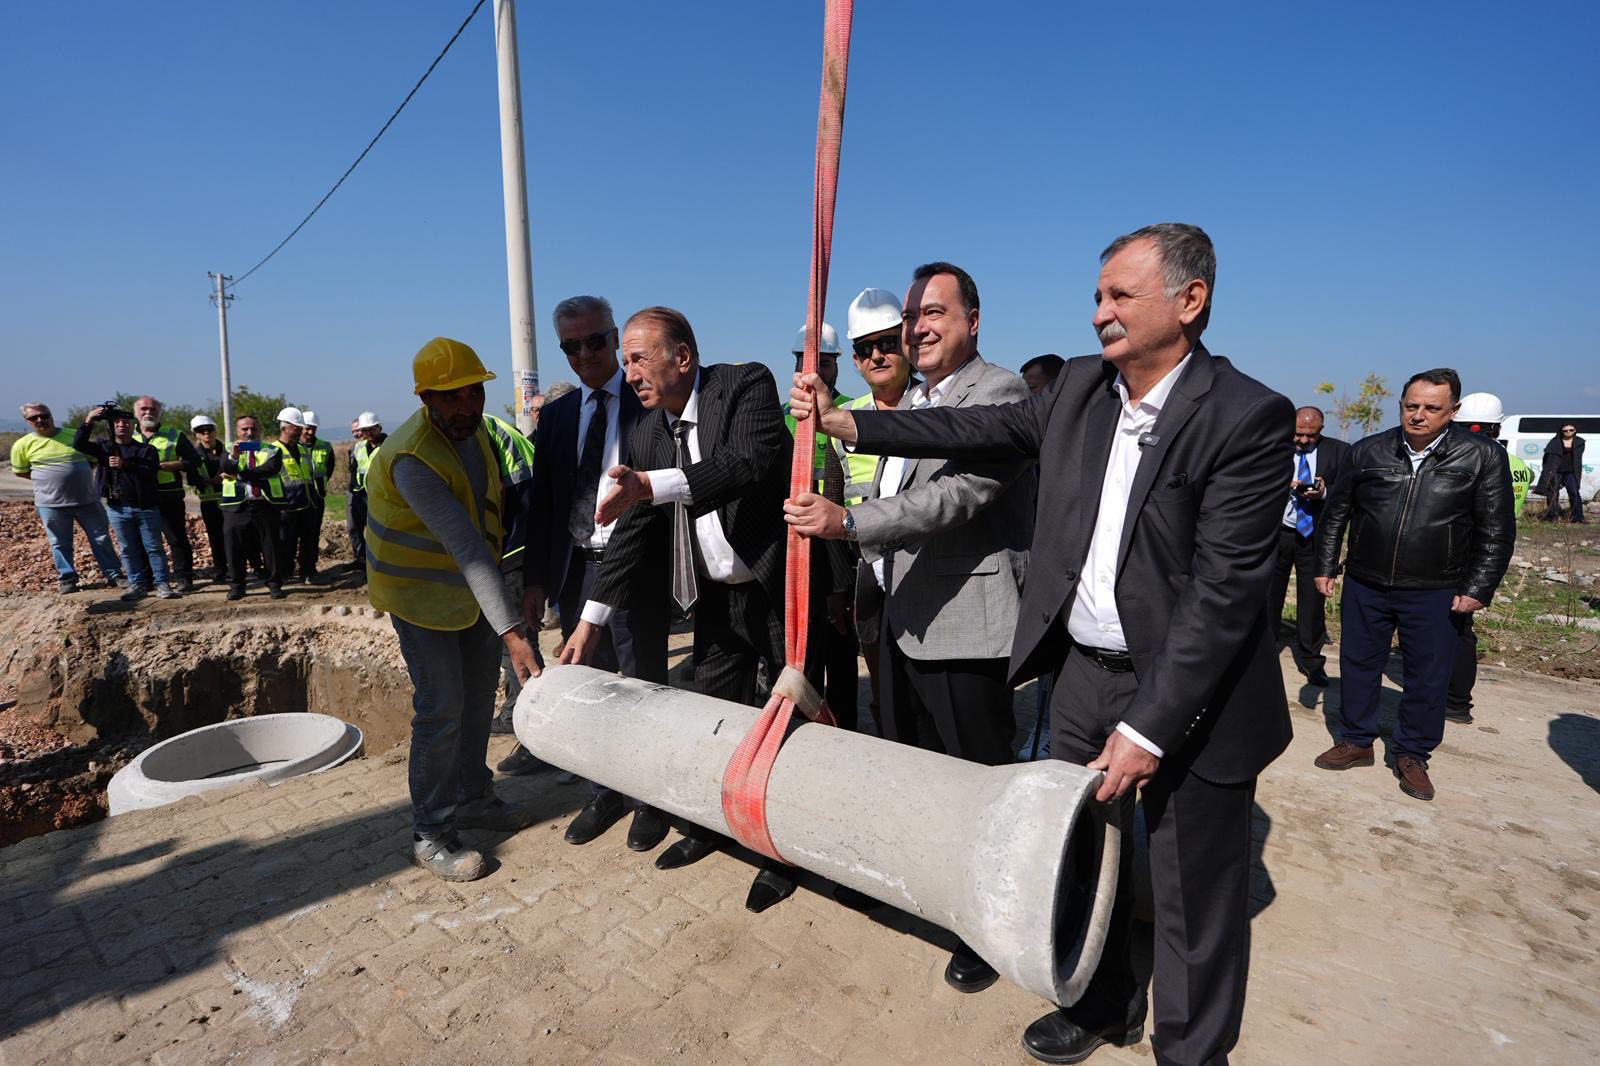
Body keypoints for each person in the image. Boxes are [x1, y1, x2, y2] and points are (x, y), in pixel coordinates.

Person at [792, 224, 1294, 1065]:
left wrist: (1148, 729)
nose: (1099, 313)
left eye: (1120, 296)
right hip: (1083, 679)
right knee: (1083, 865)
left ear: (1191, 301)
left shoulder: (1247, 416)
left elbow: (1224, 597)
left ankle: (1191, 1052)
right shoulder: (1082, 392)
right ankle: (1101, 1004)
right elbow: (968, 434)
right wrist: (848, 423)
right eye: (1097, 295)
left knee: (1190, 896)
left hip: (1187, 696)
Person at [786, 262, 1036, 983]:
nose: (919, 327)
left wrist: (849, 523)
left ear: (974, 321)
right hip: (900, 621)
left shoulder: (999, 392)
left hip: (966, 621)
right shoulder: (915, 400)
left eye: (937, 313)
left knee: (978, 782)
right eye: (914, 315)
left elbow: (958, 496)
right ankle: (937, 895)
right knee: (917, 772)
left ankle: (989, 925)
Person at [560, 306, 800, 914]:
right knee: (714, 723)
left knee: (791, 726)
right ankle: (711, 828)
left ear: (683, 358)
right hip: (715, 603)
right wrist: (589, 625)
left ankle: (785, 853)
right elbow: (632, 536)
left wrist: (652, 485)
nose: (627, 371)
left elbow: (744, 464)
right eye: (626, 362)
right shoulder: (646, 432)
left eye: (637, 357)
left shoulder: (745, 385)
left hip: (779, 592)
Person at [365, 336, 543, 881]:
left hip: (469, 596)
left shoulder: (476, 435)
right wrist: (515, 633)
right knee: (441, 710)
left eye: (473, 393)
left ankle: (473, 798)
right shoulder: (410, 456)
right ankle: (431, 830)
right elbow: (465, 545)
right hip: (421, 599)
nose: (466, 406)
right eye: (451, 398)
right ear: (425, 397)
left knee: (471, 707)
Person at [501, 295, 672, 850]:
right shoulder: (554, 417)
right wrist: (534, 581)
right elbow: (544, 505)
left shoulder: (649, 401)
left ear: (614, 336)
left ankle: (652, 797)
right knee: (586, 682)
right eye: (571, 346)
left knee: (642, 678)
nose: (585, 354)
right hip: (576, 569)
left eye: (596, 341)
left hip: (637, 564)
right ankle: (605, 791)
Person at [1314, 368, 1515, 802]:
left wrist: (1478, 586)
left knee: (1427, 675)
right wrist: (1325, 564)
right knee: (1359, 664)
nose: (1418, 415)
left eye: (1431, 408)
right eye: (1411, 405)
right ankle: (1356, 740)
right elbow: (1336, 514)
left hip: (1437, 587)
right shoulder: (1368, 452)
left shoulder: (1481, 457)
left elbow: (1496, 530)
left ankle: (1412, 753)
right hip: (1367, 582)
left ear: (1453, 411)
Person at [835, 287, 917, 734]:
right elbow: (832, 501)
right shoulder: (841, 420)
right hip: (869, 574)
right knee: (885, 691)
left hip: (927, 571)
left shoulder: (938, 407)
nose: (877, 356)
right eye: (865, 348)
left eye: (887, 343)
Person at [782, 321, 860, 732]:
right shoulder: (783, 417)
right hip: (797, 550)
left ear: (836, 366)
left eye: (825, 363)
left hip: (841, 546)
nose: (816, 371)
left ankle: (845, 727)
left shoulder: (853, 411)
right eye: (807, 362)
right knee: (801, 654)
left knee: (841, 652)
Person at [1447, 392, 1530, 724]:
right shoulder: (1520, 466)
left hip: (1463, 550)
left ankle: (1453, 701)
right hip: (1493, 552)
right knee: (1463, 628)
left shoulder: (1474, 459)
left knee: (1455, 629)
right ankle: (1457, 701)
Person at [1264, 406, 1348, 687]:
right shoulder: (1274, 447)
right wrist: (1279, 483)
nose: (1301, 441)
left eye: (1309, 436)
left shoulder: (1339, 452)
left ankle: (1312, 660)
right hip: (1277, 533)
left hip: (1314, 536)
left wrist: (1324, 491)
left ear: (1320, 432)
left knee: (1312, 601)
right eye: (1298, 434)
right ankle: (1264, 654)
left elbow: (1350, 491)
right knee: (1268, 595)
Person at [12, 402, 123, 593]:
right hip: (51, 504)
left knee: (101, 538)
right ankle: (68, 578)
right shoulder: (22, 445)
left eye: (44, 415)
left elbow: (93, 461)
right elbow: (21, 472)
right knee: (59, 543)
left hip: (87, 500)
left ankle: (114, 575)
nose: (40, 420)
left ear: (51, 415)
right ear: (27, 421)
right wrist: (48, 478)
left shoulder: (74, 435)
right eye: (34, 418)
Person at [75, 405, 182, 602]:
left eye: (126, 422)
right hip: (117, 507)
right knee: (127, 549)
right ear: (112, 426)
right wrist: (89, 419)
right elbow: (79, 444)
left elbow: (150, 471)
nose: (121, 425)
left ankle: (162, 583)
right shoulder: (104, 447)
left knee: (154, 547)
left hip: (146, 507)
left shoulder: (146, 450)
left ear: (133, 426)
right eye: (117, 422)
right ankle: (137, 584)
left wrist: (126, 465)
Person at [133, 396, 201, 591]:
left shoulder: (174, 435)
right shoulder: (127, 435)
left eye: (153, 409)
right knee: (142, 541)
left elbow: (194, 461)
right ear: (136, 413)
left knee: (177, 539)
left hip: (169, 495)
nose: (148, 413)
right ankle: (147, 580)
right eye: (144, 409)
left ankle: (184, 578)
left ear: (160, 412)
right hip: (140, 497)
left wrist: (175, 465)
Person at [219, 414, 289, 600]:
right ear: (237, 431)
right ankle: (237, 586)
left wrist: (240, 475)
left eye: (253, 429)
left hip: (265, 505)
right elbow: (225, 467)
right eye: (245, 429)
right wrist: (234, 457)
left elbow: (270, 469)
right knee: (234, 548)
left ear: (260, 430)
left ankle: (274, 584)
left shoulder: (272, 449)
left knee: (271, 547)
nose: (249, 433)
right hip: (236, 507)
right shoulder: (227, 449)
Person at [271, 407, 320, 582]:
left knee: (308, 541)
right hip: (287, 505)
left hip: (307, 503)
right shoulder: (273, 450)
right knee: (285, 543)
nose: (300, 430)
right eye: (296, 427)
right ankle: (285, 573)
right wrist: (278, 504)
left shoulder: (304, 450)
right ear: (284, 427)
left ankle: (308, 572)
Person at [188, 415, 229, 584]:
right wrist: (211, 481)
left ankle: (237, 568)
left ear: (215, 430)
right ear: (196, 434)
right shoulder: (193, 455)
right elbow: (191, 479)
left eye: (209, 429)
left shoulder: (227, 450)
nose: (206, 433)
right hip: (210, 503)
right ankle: (221, 570)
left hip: (230, 502)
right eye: (201, 431)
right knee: (216, 538)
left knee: (234, 537)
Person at [299, 411, 335, 582]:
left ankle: (310, 570)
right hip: (297, 499)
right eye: (307, 428)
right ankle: (291, 570)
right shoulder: (292, 447)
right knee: (292, 536)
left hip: (317, 498)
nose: (310, 432)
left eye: (313, 428)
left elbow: (329, 469)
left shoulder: (325, 446)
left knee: (312, 536)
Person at [347, 411, 385, 574]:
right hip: (360, 494)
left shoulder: (389, 445)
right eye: (365, 430)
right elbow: (354, 469)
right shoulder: (359, 447)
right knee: (355, 528)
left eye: (371, 429)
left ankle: (378, 564)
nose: (368, 433)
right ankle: (362, 560)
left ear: (379, 428)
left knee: (377, 532)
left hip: (380, 496)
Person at [1539, 423, 1586, 523]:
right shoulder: (1554, 442)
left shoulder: (1579, 442)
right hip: (1556, 471)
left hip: (1571, 471)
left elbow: (1578, 458)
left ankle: (1578, 517)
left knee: (1574, 493)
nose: (1568, 432)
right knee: (1553, 494)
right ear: (1561, 431)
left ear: (1575, 430)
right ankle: (1553, 517)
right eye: (1565, 430)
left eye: (1571, 430)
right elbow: (1547, 458)